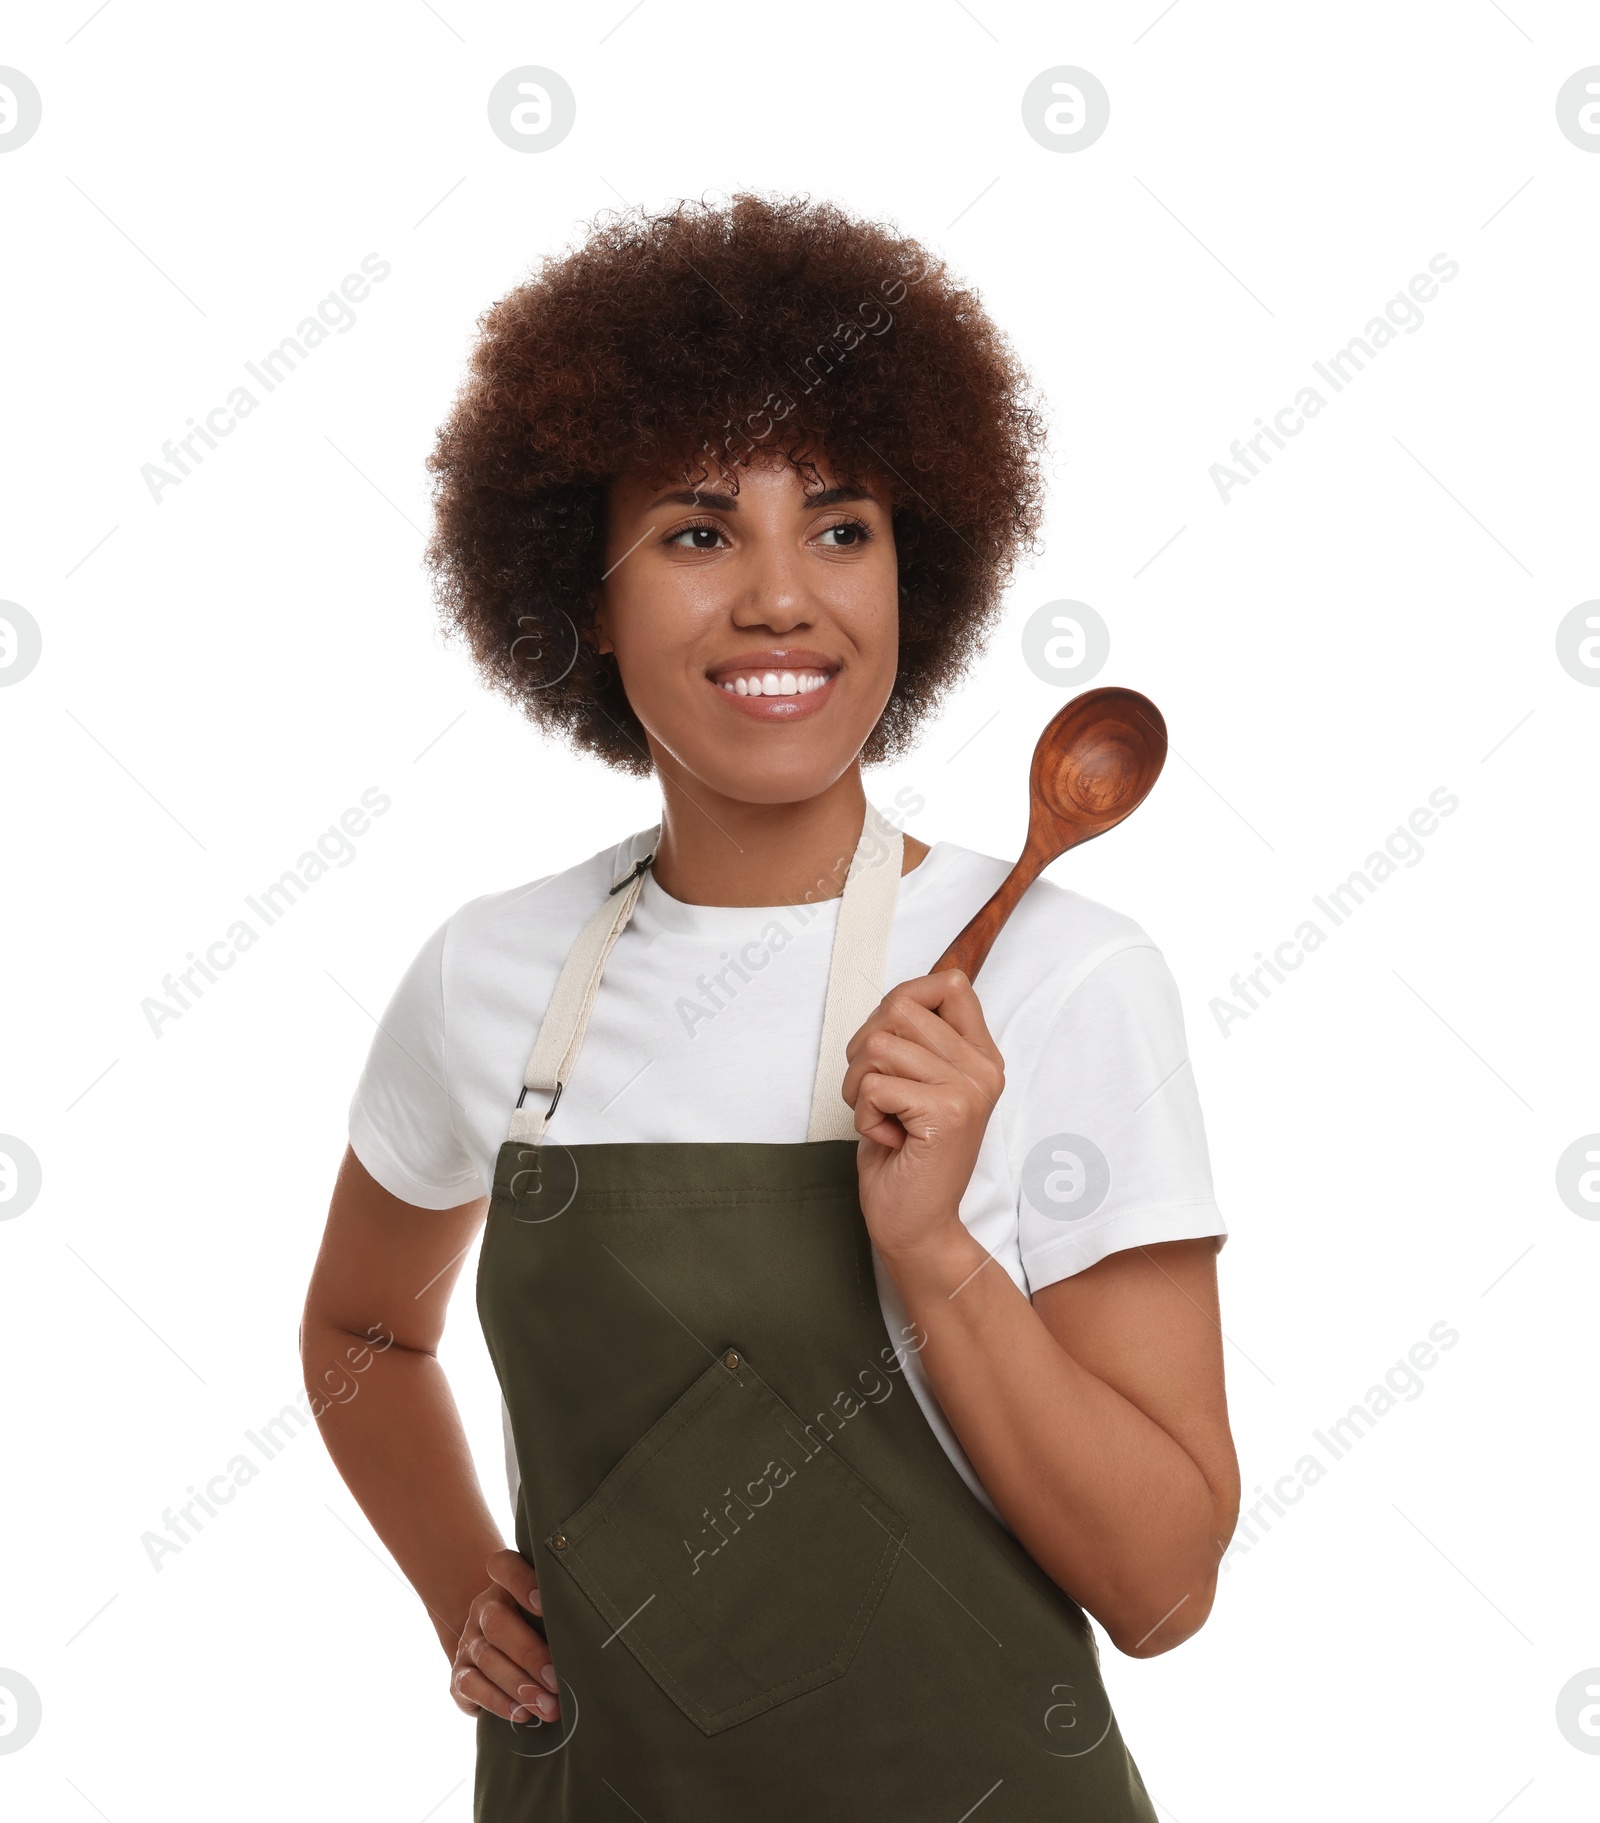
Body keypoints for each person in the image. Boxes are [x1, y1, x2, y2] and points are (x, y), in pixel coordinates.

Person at [302, 194, 1239, 1819]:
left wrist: (935, 1248)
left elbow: (1163, 1593)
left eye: (843, 526)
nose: (782, 599)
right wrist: (462, 1578)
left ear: (913, 570)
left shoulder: (1068, 975)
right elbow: (361, 1333)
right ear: (583, 603)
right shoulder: (490, 977)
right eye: (696, 531)